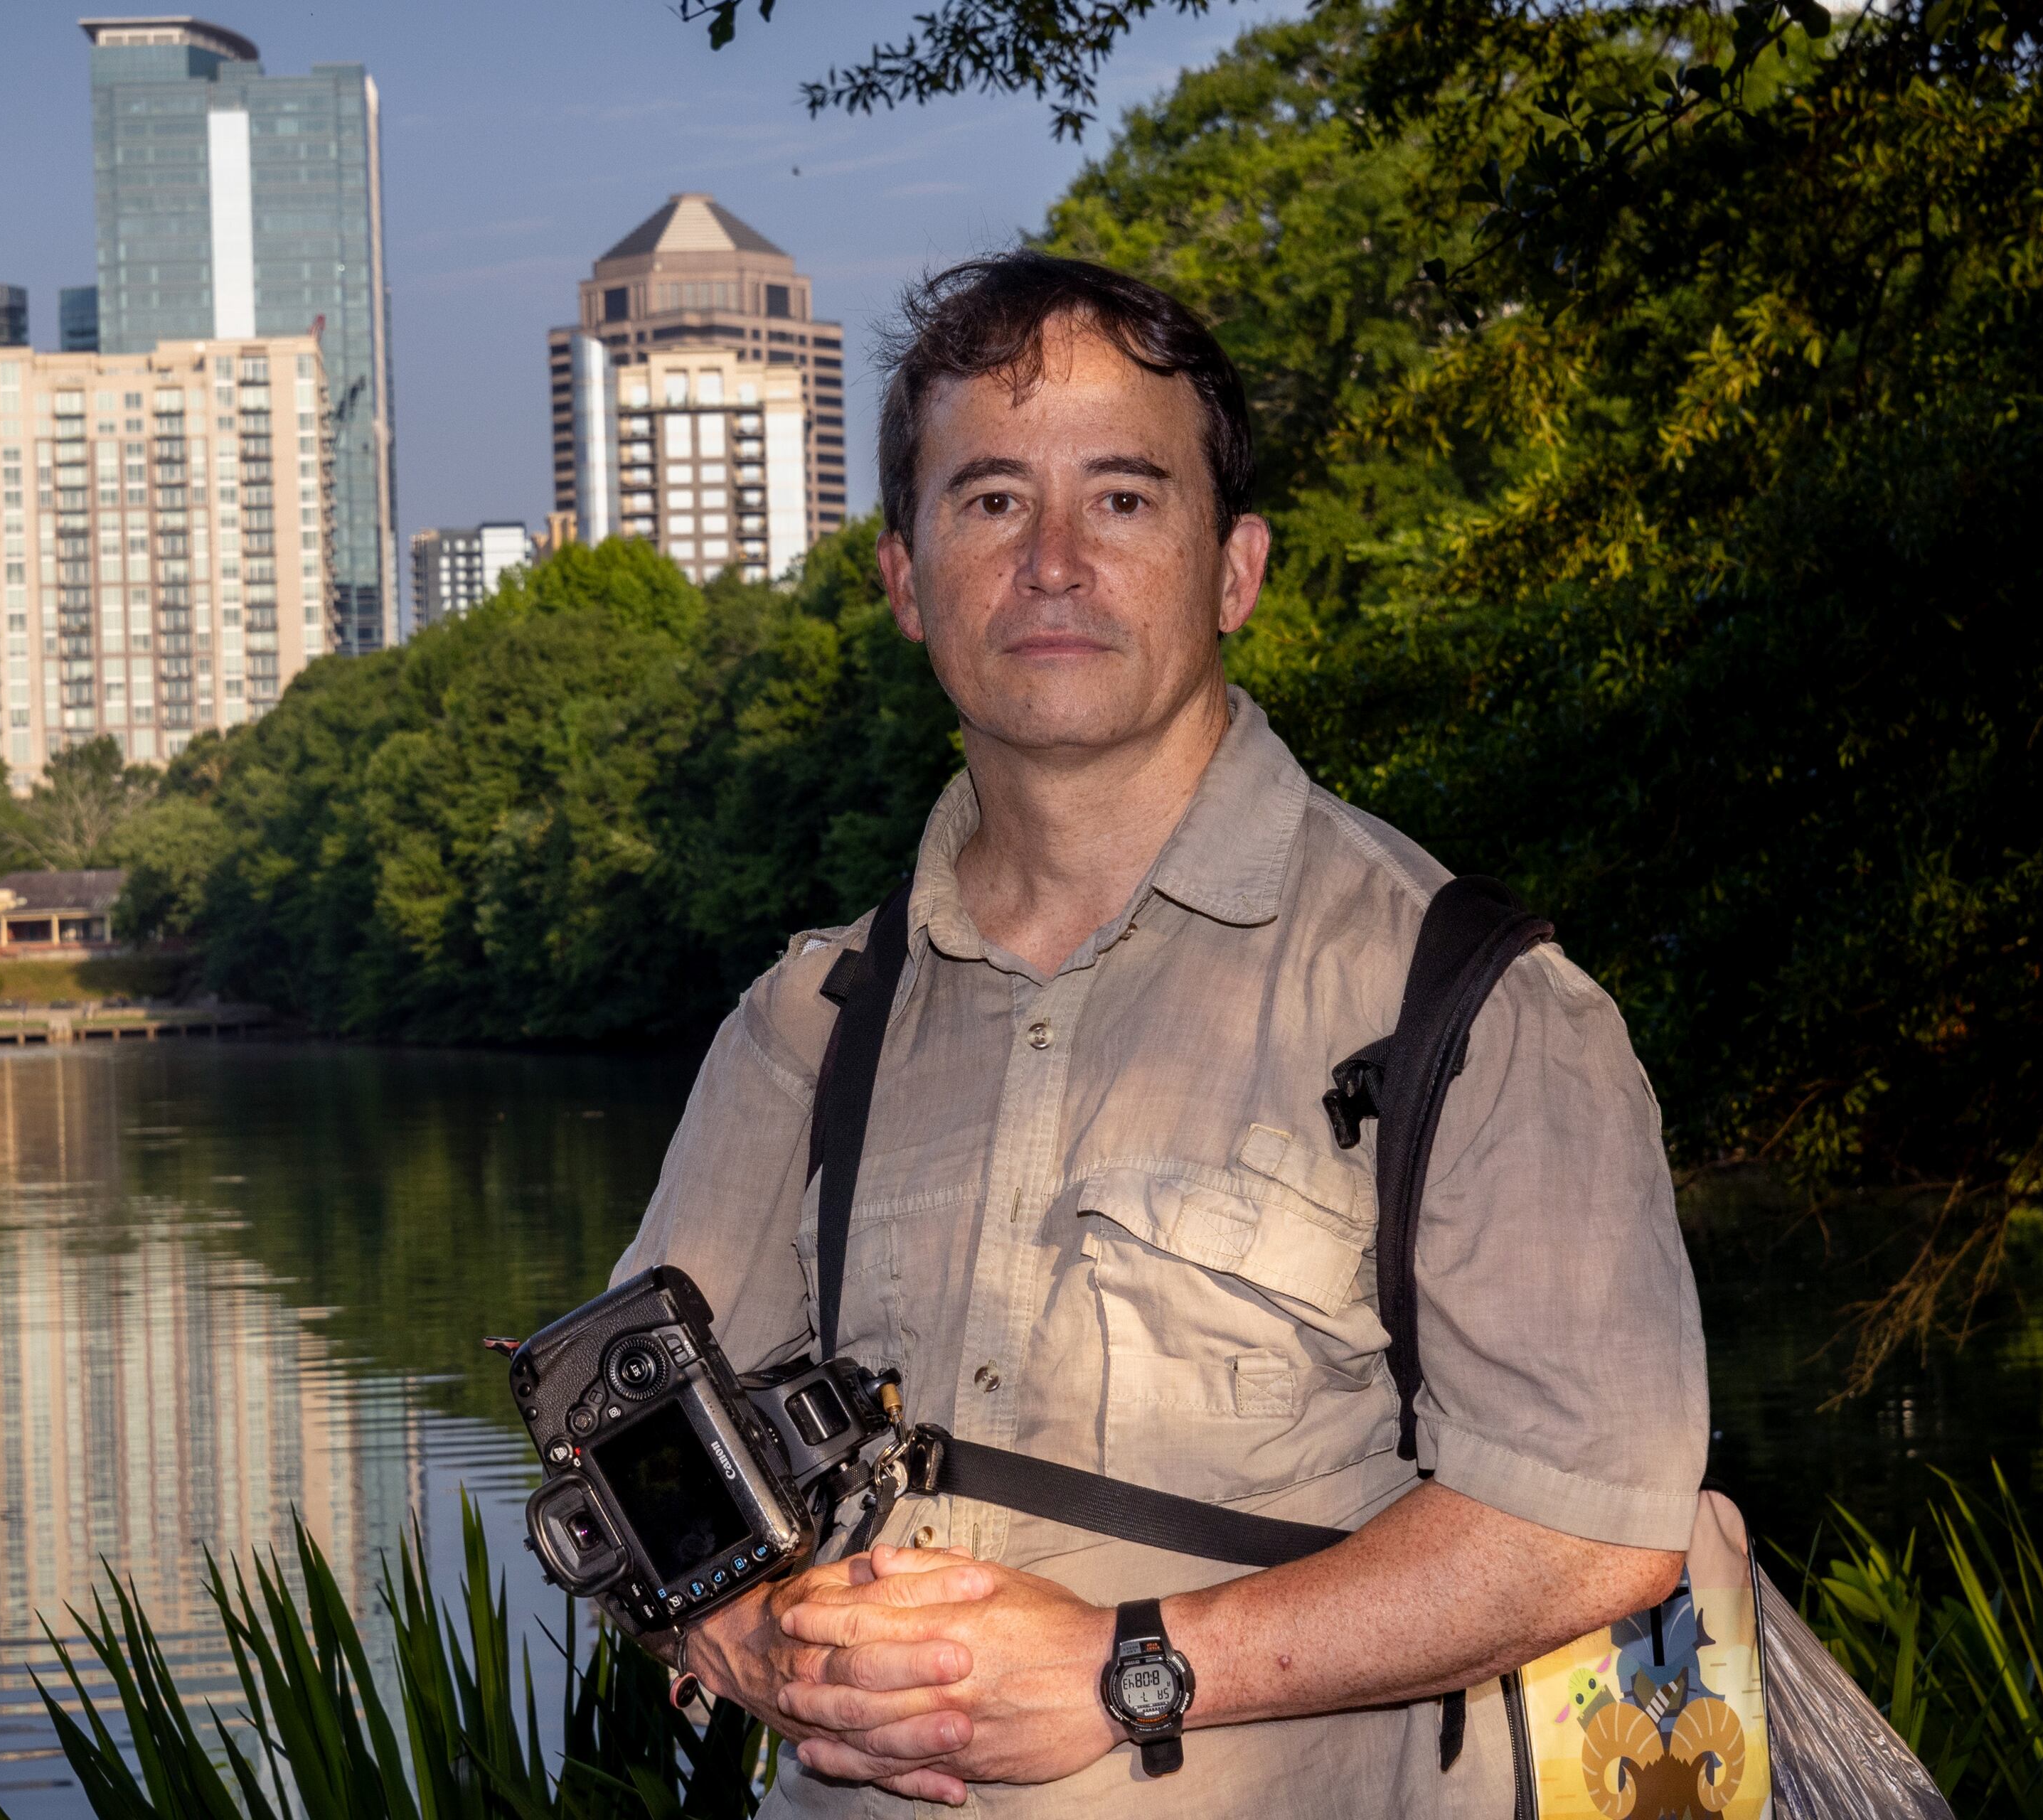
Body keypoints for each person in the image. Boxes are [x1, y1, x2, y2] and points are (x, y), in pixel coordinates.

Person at [609, 250, 1708, 1816]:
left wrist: (1131, 1668)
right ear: (906, 576)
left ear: (1234, 568)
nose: (1053, 560)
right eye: (990, 500)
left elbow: (1592, 1521)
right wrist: (748, 1636)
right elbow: (627, 1445)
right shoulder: (811, 1020)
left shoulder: (1466, 999)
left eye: (1123, 499)